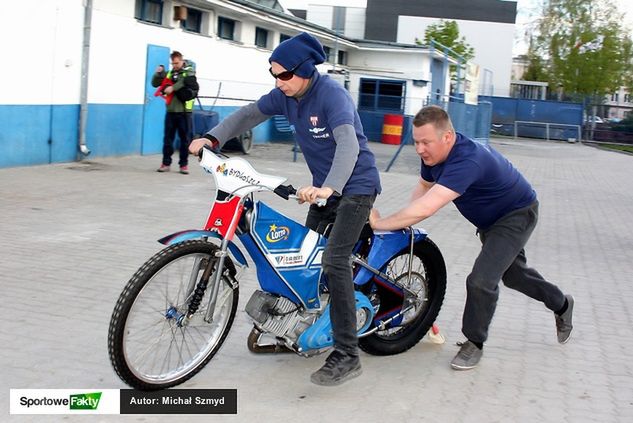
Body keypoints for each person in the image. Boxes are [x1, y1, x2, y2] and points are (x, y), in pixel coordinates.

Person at [189, 32, 381, 386]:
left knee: (333, 261)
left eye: (284, 75)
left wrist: (329, 188)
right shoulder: (286, 96)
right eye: (274, 76)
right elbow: (249, 114)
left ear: (306, 70)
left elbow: (349, 146)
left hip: (354, 187)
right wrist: (212, 138)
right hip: (324, 189)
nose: (279, 82)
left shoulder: (332, 96)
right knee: (302, 260)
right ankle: (299, 324)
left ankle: (347, 353)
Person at [369, 105, 574, 370]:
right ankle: (562, 303)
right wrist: (401, 223)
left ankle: (474, 343)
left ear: (447, 137)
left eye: (426, 142)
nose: (419, 149)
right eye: (416, 142)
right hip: (490, 222)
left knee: (480, 281)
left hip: (516, 215)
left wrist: (382, 224)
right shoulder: (433, 156)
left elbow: (429, 207)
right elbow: (424, 187)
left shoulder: (467, 160)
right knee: (514, 276)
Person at [152, 51, 196, 174]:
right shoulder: (170, 73)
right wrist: (158, 73)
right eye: (173, 63)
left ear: (182, 61)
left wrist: (172, 88)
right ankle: (166, 163)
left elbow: (183, 82)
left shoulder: (189, 72)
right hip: (170, 112)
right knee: (168, 139)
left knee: (184, 140)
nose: (175, 65)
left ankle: (183, 165)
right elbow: (155, 83)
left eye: (177, 63)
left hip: (184, 112)